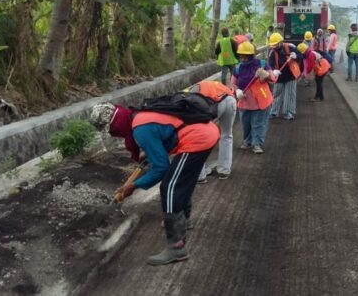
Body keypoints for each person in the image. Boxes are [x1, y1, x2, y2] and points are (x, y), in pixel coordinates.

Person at [89, 102, 219, 266]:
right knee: (181, 182)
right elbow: (164, 133)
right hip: (206, 132)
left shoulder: (140, 129)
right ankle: (184, 220)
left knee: (169, 187)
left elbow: (161, 168)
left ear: (115, 125)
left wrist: (134, 186)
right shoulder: (137, 116)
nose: (115, 135)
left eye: (111, 131)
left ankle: (177, 247)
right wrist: (150, 154)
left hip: (197, 138)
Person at [183, 80, 236, 182]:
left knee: (200, 138)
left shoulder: (191, 94)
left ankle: (200, 175)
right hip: (230, 100)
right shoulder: (207, 85)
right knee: (227, 135)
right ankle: (224, 170)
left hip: (215, 105)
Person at [232, 41, 277, 154]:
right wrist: (237, 90)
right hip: (244, 101)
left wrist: (265, 75)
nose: (243, 59)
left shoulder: (261, 64)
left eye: (246, 56)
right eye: (241, 56)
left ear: (251, 55)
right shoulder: (237, 68)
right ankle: (247, 141)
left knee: (258, 123)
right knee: (245, 123)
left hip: (260, 101)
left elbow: (273, 78)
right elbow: (233, 84)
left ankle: (257, 144)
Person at [267, 32, 302, 120]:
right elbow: (269, 64)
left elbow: (300, 56)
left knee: (290, 94)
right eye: (272, 45)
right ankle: (274, 112)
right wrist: (273, 71)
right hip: (279, 75)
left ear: (280, 42)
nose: (274, 46)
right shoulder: (272, 52)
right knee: (276, 93)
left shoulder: (290, 47)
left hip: (291, 75)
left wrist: (296, 56)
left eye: (275, 44)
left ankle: (288, 112)